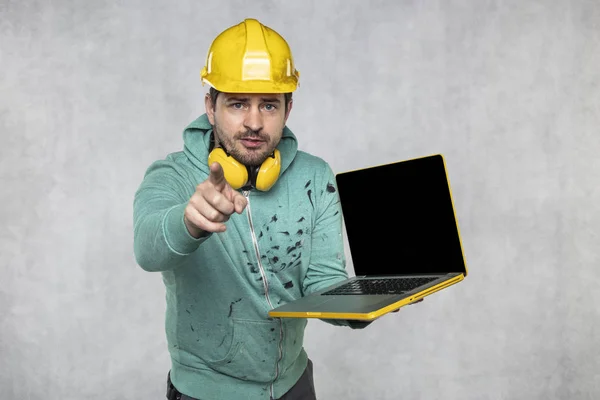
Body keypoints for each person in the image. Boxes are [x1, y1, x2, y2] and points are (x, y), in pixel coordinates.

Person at [133, 18, 375, 400]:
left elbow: (322, 281)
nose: (254, 122)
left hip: (295, 385)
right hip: (205, 393)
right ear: (210, 107)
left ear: (288, 109)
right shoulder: (172, 175)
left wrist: (363, 304)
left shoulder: (315, 176)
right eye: (237, 103)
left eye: (268, 105)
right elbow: (147, 249)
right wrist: (190, 222)